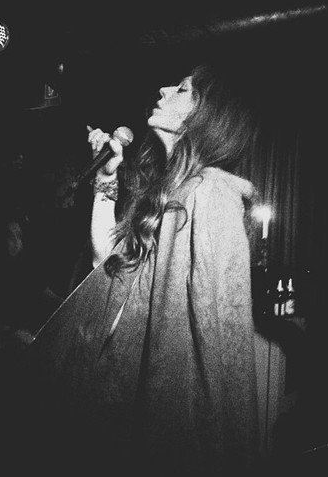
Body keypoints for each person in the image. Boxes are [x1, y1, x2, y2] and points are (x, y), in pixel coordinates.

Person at [17, 62, 261, 477]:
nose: (164, 89)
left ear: (208, 115)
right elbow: (108, 267)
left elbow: (221, 342)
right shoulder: (175, 190)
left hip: (165, 435)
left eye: (182, 89)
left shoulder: (211, 193)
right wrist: (105, 179)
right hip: (122, 409)